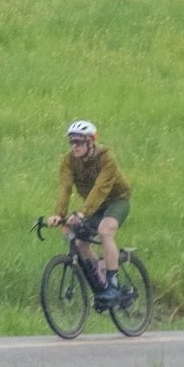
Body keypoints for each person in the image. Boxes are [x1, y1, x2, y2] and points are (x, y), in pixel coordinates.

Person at [42, 119, 131, 305]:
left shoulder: (106, 159)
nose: (74, 147)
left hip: (117, 201)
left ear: (91, 141)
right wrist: (59, 214)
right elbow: (65, 188)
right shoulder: (69, 162)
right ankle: (101, 278)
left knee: (105, 231)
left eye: (79, 142)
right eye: (72, 142)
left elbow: (100, 189)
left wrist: (82, 213)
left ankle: (113, 285)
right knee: (81, 243)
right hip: (94, 207)